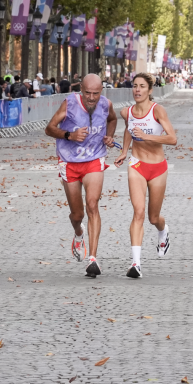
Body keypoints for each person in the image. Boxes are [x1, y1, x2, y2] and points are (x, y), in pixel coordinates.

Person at [44, 74, 118, 277]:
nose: (92, 97)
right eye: (88, 93)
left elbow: (113, 119)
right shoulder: (69, 103)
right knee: (77, 215)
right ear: (81, 90)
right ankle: (78, 232)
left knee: (92, 204)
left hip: (94, 159)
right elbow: (49, 128)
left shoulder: (106, 104)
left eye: (96, 93)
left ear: (102, 91)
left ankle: (93, 259)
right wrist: (70, 135)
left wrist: (109, 136)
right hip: (69, 161)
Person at [114, 72, 177, 278]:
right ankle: (136, 264)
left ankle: (163, 230)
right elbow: (128, 130)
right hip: (137, 165)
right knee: (138, 212)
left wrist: (147, 136)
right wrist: (124, 151)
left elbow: (172, 139)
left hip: (158, 167)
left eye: (142, 86)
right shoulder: (127, 112)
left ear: (150, 91)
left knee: (153, 217)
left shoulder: (157, 110)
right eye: (135, 86)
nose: (137, 90)